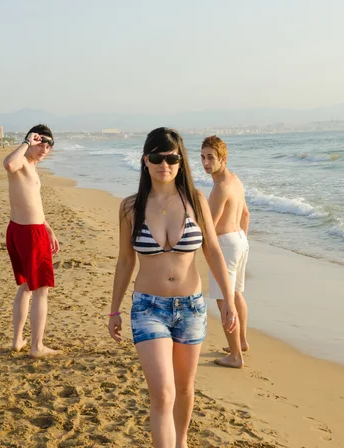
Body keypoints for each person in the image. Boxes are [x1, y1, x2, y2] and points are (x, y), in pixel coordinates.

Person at [108, 127, 237, 448]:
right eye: (156, 157)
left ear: (181, 161)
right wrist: (114, 309)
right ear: (145, 161)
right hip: (147, 309)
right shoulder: (130, 207)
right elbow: (125, 261)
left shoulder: (195, 200)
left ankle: (181, 443)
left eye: (172, 158)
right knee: (163, 392)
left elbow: (213, 252)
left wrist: (230, 301)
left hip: (191, 308)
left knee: (184, 389)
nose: (164, 164)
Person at [3, 124, 60, 358]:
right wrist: (27, 141)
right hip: (28, 233)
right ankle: (37, 346)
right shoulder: (22, 162)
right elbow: (9, 164)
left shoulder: (33, 167)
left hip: (21, 230)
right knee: (41, 291)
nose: (44, 149)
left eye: (48, 145)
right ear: (30, 141)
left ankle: (18, 341)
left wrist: (48, 227)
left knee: (26, 286)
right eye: (40, 143)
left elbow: (34, 203)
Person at [201, 135, 250, 369]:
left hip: (227, 244)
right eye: (202, 157)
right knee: (237, 294)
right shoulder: (236, 180)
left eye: (211, 157)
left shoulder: (220, 188)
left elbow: (209, 226)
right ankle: (240, 343)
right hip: (240, 239)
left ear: (223, 158)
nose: (205, 162)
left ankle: (235, 357)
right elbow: (246, 214)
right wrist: (241, 241)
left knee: (224, 300)